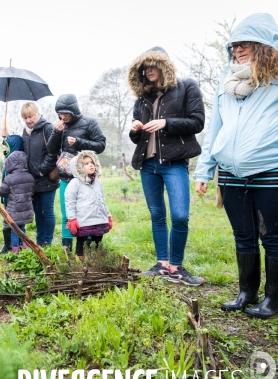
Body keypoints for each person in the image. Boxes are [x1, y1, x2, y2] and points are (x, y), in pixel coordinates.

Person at [194, 13, 278, 318]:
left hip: (270, 170)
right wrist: (204, 170)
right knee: (243, 235)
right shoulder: (226, 81)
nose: (237, 50)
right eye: (234, 46)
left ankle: (272, 299)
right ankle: (246, 293)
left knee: (272, 237)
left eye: (244, 44)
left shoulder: (275, 79)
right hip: (230, 173)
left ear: (264, 45)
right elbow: (216, 125)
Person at [127, 46, 205, 286]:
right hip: (148, 164)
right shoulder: (142, 98)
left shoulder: (187, 87)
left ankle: (177, 266)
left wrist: (166, 122)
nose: (149, 70)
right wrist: (134, 130)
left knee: (180, 216)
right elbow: (137, 137)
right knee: (157, 215)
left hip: (174, 163)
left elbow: (197, 122)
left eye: (153, 65)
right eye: (145, 67)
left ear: (164, 65)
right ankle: (162, 264)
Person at [47, 94, 106, 251]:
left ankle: (88, 248)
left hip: (85, 179)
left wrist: (79, 143)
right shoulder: (60, 126)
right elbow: (51, 150)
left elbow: (101, 145)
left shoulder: (89, 123)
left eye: (65, 113)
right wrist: (55, 133)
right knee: (67, 214)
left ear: (73, 110)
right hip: (66, 178)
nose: (62, 116)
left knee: (87, 213)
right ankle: (67, 249)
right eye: (59, 113)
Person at [20, 102, 58, 246]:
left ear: (37, 114)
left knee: (47, 211)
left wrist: (43, 169)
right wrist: (7, 140)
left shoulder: (47, 128)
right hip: (32, 180)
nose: (29, 120)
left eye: (31, 116)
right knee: (37, 211)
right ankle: (40, 240)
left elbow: (53, 152)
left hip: (46, 178)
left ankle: (47, 241)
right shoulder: (25, 132)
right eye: (26, 118)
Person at [65, 151, 112, 258]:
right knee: (82, 241)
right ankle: (81, 264)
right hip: (84, 220)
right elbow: (70, 201)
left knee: (98, 242)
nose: (90, 165)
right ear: (78, 168)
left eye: (92, 162)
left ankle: (96, 260)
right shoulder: (75, 183)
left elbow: (102, 200)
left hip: (99, 219)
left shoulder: (98, 183)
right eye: (86, 163)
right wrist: (72, 218)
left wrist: (108, 216)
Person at [0, 150, 35, 253]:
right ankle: (25, 246)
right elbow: (32, 190)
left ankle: (15, 250)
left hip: (14, 210)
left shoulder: (9, 178)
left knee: (14, 230)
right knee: (22, 228)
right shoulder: (30, 177)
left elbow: (1, 192)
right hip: (26, 209)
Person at [0, 134, 24, 253]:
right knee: (7, 221)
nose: (5, 150)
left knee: (15, 224)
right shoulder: (10, 160)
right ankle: (8, 244)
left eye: (7, 147)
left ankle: (16, 247)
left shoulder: (16, 163)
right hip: (8, 199)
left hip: (13, 200)